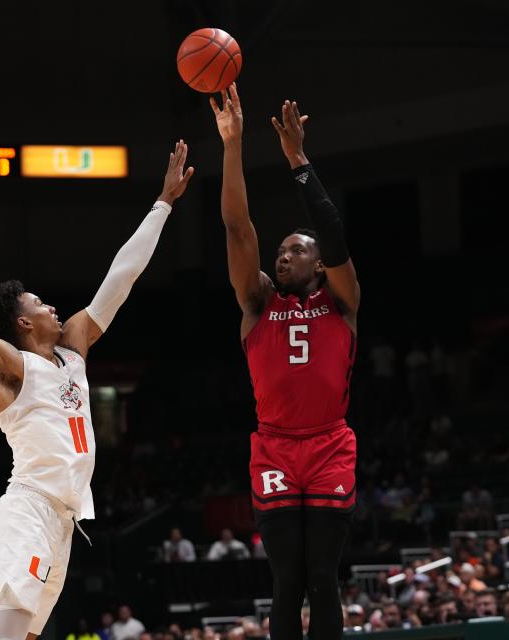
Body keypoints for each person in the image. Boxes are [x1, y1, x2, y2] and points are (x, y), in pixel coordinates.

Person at [0, 141, 194, 640]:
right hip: (29, 511)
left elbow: (121, 277)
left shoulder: (73, 350)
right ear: (23, 321)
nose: (52, 308)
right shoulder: (9, 368)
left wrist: (164, 203)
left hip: (63, 521)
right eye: (39, 303)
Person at [209, 83, 358, 640]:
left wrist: (298, 160)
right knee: (285, 580)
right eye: (282, 251)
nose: (283, 254)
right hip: (273, 444)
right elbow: (236, 227)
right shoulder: (257, 302)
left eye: (297, 250)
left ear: (319, 265)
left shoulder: (341, 301)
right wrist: (232, 145)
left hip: (328, 444)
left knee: (323, 577)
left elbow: (336, 237)